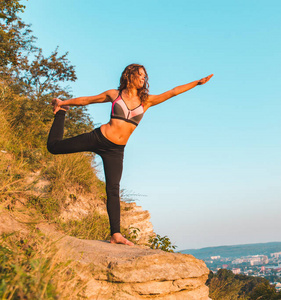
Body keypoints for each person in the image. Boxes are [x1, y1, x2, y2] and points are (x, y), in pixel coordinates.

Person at [47, 63, 213, 246]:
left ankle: (115, 234)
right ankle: (61, 113)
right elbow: (87, 100)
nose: (143, 78)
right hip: (99, 137)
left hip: (116, 151)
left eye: (145, 76)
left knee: (113, 189)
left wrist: (197, 83)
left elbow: (173, 92)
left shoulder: (146, 101)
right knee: (54, 147)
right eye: (140, 75)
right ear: (130, 75)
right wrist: (63, 103)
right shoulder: (114, 94)